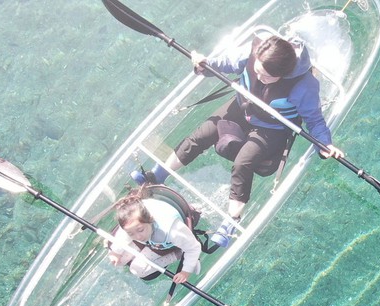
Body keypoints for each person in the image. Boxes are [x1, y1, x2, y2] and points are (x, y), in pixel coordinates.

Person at [135, 35, 344, 223]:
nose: (259, 77)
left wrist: (325, 145)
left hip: (271, 128)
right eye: (257, 71)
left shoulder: (304, 86)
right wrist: (204, 64)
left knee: (242, 163)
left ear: (283, 74)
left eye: (266, 77)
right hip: (242, 108)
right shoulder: (255, 52)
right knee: (201, 134)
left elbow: (314, 121)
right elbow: (224, 63)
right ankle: (157, 176)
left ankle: (230, 222)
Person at [107, 191, 202, 283]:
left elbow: (194, 248)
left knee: (136, 269)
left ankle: (178, 253)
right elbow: (124, 233)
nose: (138, 237)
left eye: (140, 230)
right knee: (118, 260)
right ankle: (139, 242)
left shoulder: (172, 231)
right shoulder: (131, 218)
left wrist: (185, 272)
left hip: (166, 240)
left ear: (151, 220)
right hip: (150, 235)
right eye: (131, 233)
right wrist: (116, 251)